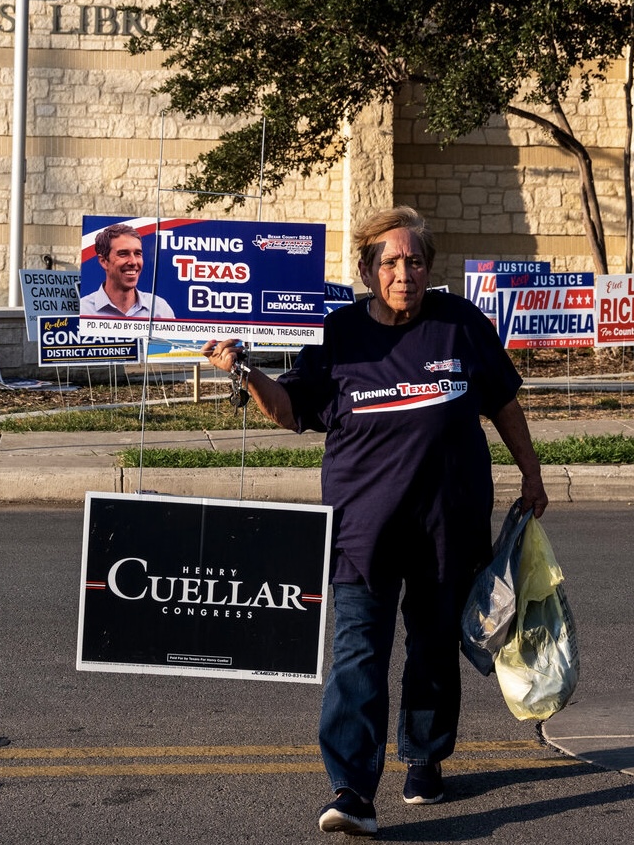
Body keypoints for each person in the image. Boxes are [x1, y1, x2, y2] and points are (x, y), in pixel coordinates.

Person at [202, 206, 548, 837]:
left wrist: (532, 473)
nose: (404, 273)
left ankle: (424, 757)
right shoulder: (339, 336)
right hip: (363, 530)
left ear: (429, 267)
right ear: (366, 269)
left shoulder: (460, 326)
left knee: (435, 648)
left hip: (448, 525)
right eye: (390, 261)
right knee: (357, 654)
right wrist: (245, 370)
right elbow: (290, 410)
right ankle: (353, 789)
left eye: (414, 260)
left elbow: (502, 401)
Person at [78, 223, 176, 319]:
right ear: (103, 261)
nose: (133, 262)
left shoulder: (159, 310)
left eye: (138, 254)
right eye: (123, 254)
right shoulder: (83, 311)